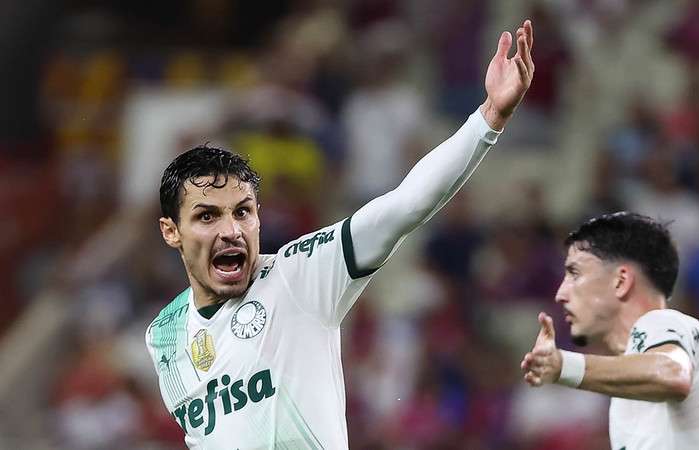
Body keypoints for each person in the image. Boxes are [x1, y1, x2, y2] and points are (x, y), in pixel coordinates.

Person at [144, 20, 534, 449]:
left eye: (243, 212)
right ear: (171, 231)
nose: (231, 230)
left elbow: (405, 204)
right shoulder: (162, 334)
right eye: (207, 216)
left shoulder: (300, 274)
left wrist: (489, 119)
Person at [520, 212, 699, 450]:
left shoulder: (663, 323)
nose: (561, 294)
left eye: (575, 274)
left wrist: (563, 366)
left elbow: (672, 373)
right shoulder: (627, 390)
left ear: (621, 281)